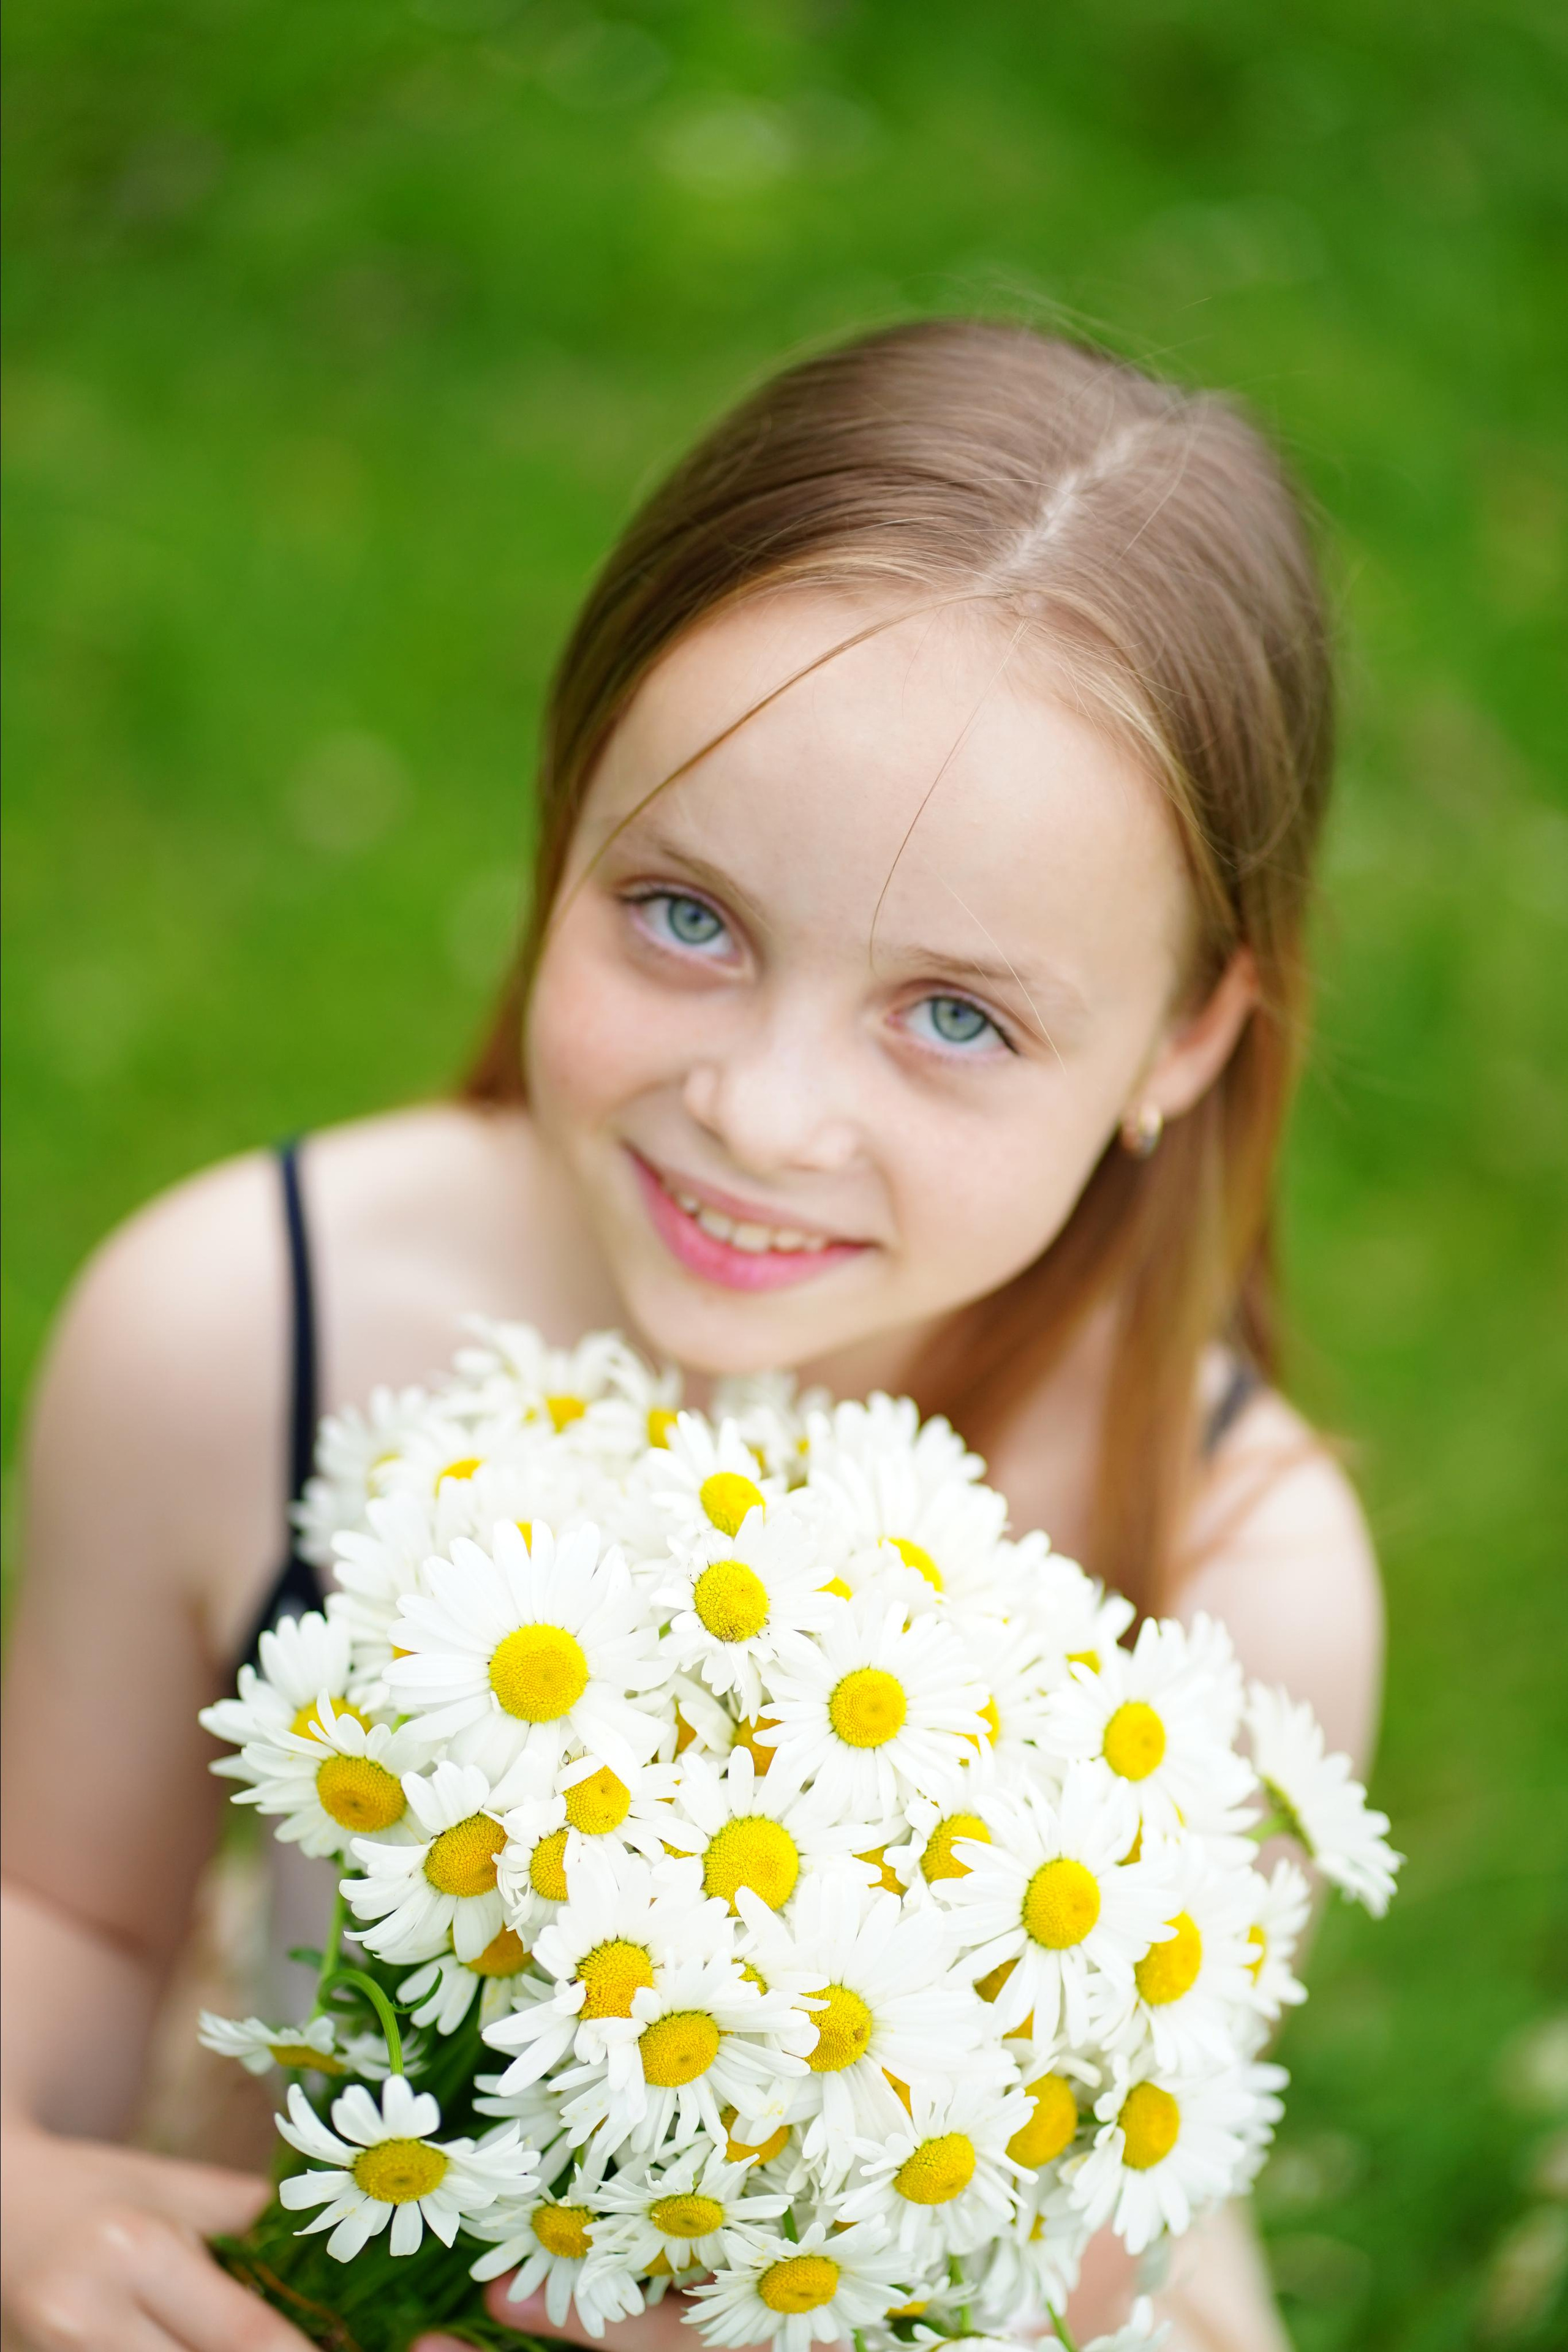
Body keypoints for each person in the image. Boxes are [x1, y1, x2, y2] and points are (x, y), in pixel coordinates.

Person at [1, 319, 1383, 2352]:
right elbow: (68, 1908)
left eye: (957, 1016)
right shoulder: (242, 1332)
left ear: (1181, 1041)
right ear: (566, 820)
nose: (762, 1108)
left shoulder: (1225, 1575)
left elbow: (1120, 2222)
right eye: (687, 914)